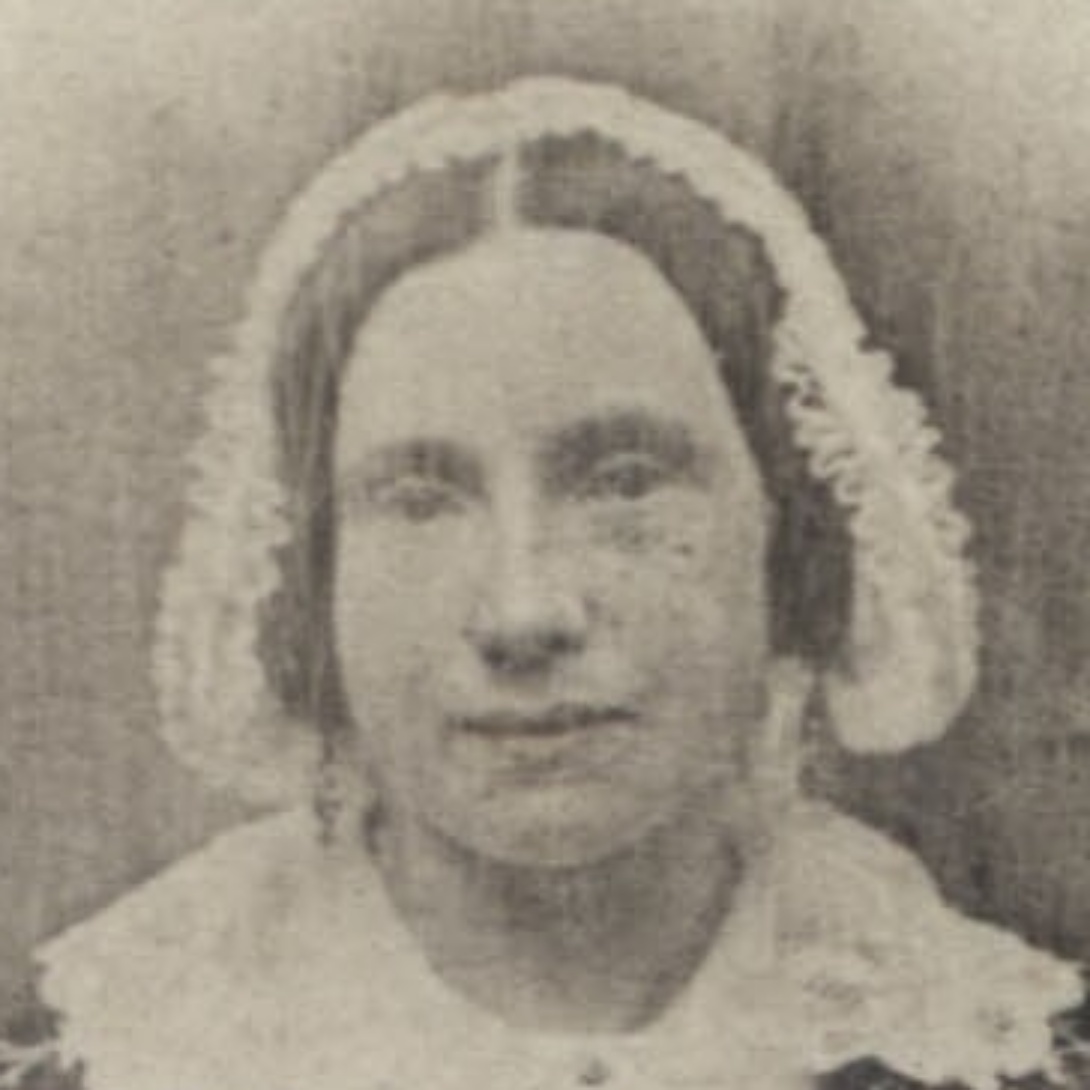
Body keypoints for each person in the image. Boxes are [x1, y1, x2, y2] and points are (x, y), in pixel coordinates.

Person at [1, 77, 1086, 1090]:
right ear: (310, 576)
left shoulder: (985, 1046)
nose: (523, 611)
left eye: (624, 482)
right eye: (419, 498)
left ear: (790, 534)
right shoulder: (119, 1052)